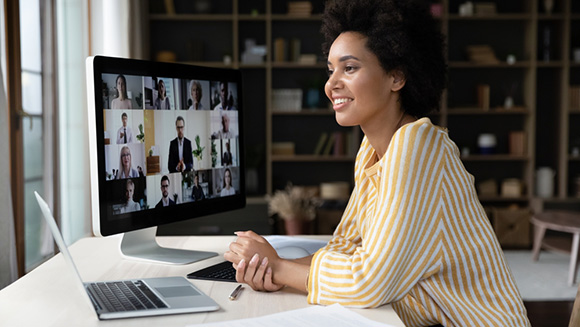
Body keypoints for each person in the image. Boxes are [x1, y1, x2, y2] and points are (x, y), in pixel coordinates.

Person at [224, 1, 530, 326]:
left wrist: (280, 268)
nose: (332, 84)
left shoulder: (419, 146)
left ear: (396, 77)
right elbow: (345, 245)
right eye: (331, 70)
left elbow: (370, 283)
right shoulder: (373, 149)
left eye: (350, 68)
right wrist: (270, 268)